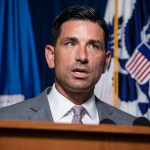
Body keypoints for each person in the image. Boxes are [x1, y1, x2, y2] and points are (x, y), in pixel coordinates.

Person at [0, 5, 136, 125]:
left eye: (93, 46)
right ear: (51, 56)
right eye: (71, 43)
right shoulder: (5, 120)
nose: (82, 57)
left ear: (106, 62)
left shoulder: (131, 128)